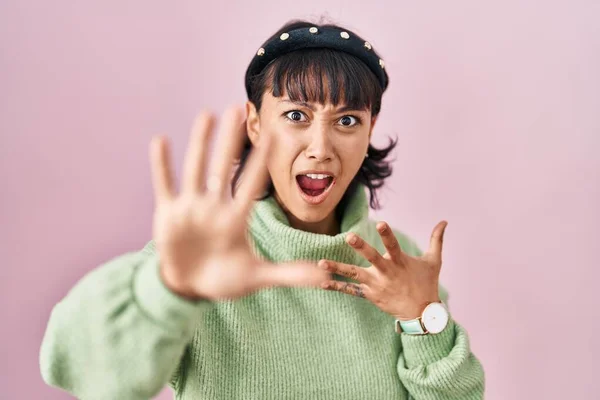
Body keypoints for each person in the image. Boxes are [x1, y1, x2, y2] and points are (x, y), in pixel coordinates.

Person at [39, 19, 485, 399]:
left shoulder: (401, 266)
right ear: (254, 123)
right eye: (296, 115)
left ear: (370, 131)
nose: (320, 148)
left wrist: (422, 321)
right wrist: (169, 290)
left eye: (347, 121)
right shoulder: (202, 259)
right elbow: (69, 365)